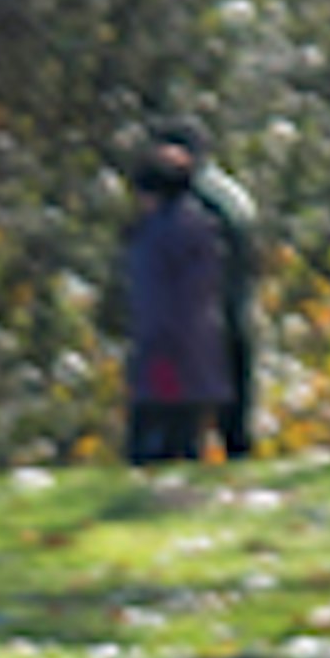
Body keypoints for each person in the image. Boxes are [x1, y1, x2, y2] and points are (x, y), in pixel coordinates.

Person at [117, 135, 233, 466]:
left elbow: (154, 300)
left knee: (154, 442)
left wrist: (150, 346)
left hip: (164, 356)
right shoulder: (203, 227)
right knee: (185, 438)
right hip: (197, 350)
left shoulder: (156, 236)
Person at [153, 115, 261, 456]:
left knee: (184, 415)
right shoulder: (230, 193)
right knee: (235, 416)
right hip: (234, 309)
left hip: (204, 317)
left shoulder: (194, 199)